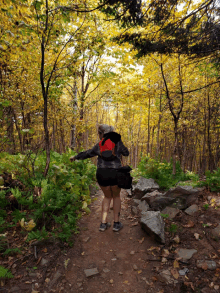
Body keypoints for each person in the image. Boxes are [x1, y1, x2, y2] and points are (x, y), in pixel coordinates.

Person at [70, 124, 129, 232]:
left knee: (107, 197)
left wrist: (75, 157)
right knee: (116, 196)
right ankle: (116, 224)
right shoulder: (117, 143)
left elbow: (87, 153)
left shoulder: (99, 144)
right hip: (116, 173)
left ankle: (103, 224)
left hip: (102, 173)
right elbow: (126, 153)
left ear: (101, 134)